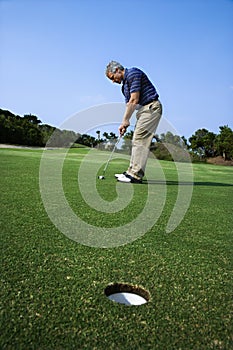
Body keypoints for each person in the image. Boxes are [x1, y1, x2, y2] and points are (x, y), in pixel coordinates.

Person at [105, 60, 162, 183]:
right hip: (142, 111)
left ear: (117, 70)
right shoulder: (124, 86)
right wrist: (125, 123)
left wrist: (125, 120)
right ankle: (130, 171)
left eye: (112, 77)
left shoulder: (133, 74)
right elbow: (129, 105)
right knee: (136, 139)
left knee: (140, 139)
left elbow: (134, 100)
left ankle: (135, 175)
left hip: (151, 107)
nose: (113, 81)